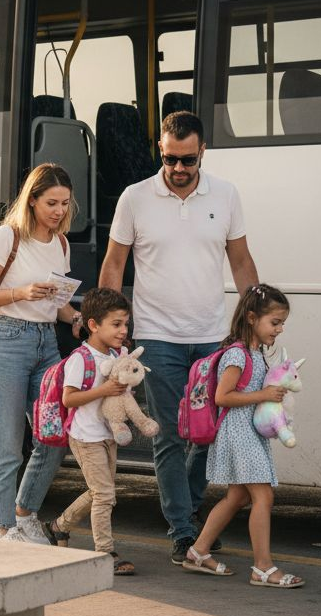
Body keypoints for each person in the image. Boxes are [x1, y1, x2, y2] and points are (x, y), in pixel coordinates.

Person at [99, 110, 260, 566]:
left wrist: (250, 321)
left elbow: (242, 261)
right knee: (168, 434)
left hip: (211, 338)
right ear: (161, 153)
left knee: (207, 433)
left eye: (187, 160)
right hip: (158, 337)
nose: (178, 169)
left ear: (202, 151)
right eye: (170, 159)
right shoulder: (135, 198)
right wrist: (110, 329)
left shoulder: (226, 195)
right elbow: (114, 265)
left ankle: (188, 509)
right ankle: (183, 529)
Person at [0, 163, 85, 543]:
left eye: (65, 204)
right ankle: (4, 529)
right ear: (32, 200)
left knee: (54, 434)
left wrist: (75, 317)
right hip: (6, 339)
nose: (58, 211)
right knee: (6, 444)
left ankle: (24, 513)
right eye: (51, 202)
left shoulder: (62, 244)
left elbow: (57, 302)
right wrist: (21, 292)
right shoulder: (7, 238)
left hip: (46, 342)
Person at [183, 284, 305, 588]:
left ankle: (198, 552)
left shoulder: (254, 353)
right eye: (274, 322)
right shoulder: (237, 355)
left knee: (237, 496)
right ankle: (263, 567)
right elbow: (223, 397)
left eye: (282, 324)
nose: (279, 330)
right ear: (251, 317)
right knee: (263, 495)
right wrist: (263, 394)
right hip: (238, 433)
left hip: (246, 432)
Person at [45, 287, 136, 575]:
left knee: (102, 493)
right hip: (85, 437)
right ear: (93, 325)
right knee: (105, 494)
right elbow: (68, 399)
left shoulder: (118, 354)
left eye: (125, 324)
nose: (123, 331)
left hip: (107, 434)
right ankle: (104, 552)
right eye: (116, 324)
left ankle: (59, 526)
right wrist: (104, 389)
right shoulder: (80, 359)